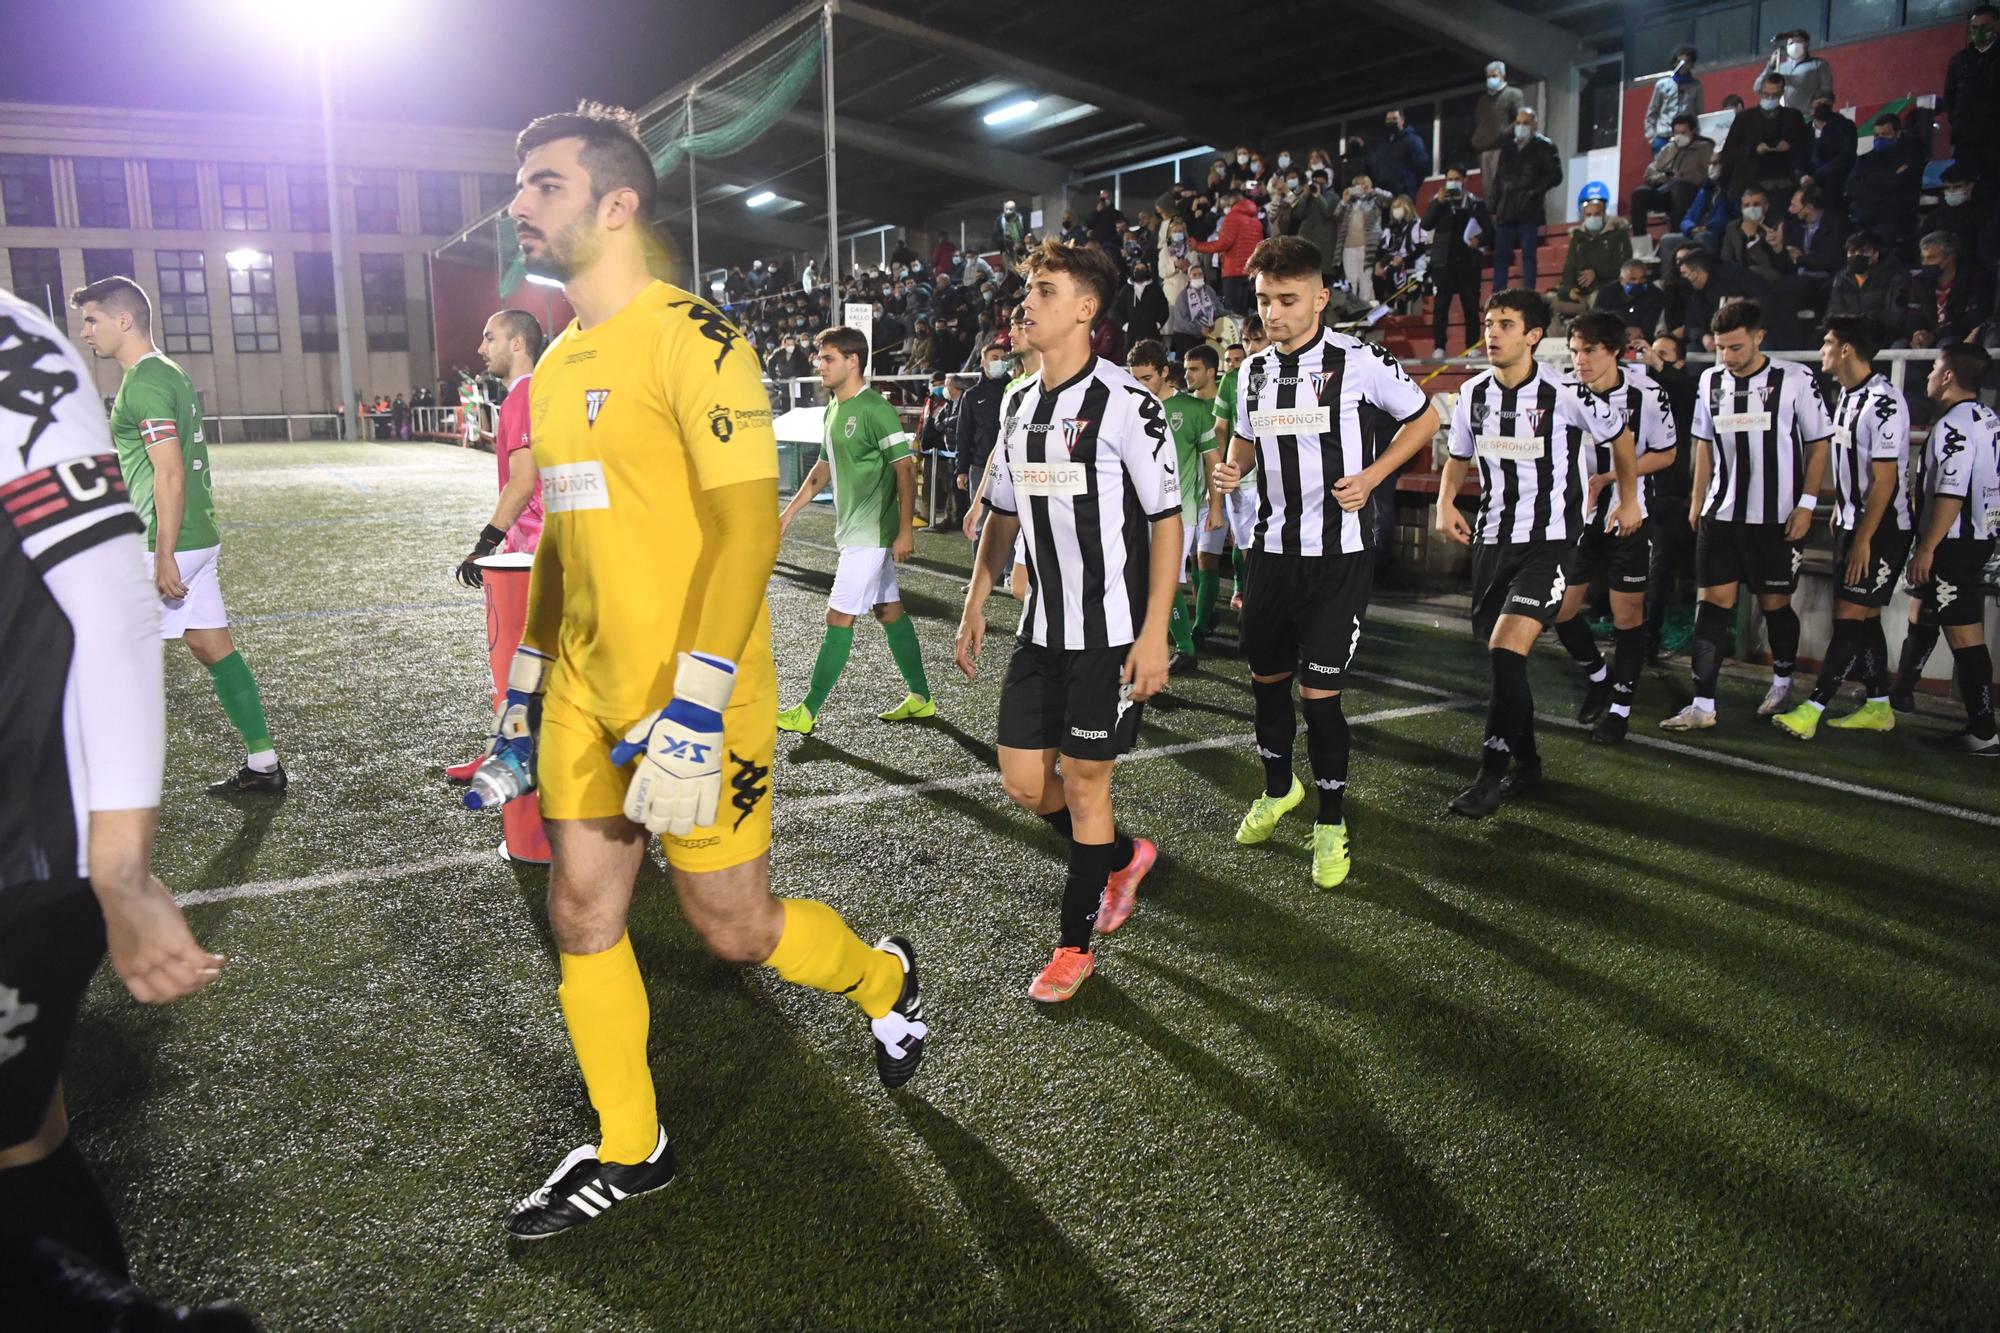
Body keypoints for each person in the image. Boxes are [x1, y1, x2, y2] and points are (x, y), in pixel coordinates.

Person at [492, 103, 926, 1239]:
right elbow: (562, 536)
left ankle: (883, 981)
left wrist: (691, 703)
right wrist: (527, 678)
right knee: (581, 906)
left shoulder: (698, 337)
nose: (518, 203)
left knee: (730, 923)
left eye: (541, 183)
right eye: (519, 184)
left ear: (615, 202)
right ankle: (632, 1147)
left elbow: (746, 534)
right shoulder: (556, 366)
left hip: (698, 692)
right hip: (585, 691)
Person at [0, 286, 245, 1327]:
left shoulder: (15, 342)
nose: (89, 331)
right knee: (22, 1132)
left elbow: (106, 598)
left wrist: (123, 869)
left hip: (18, 846)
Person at [952, 240, 1173, 1003]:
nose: (1026, 301)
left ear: (1086, 308)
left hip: (1108, 635)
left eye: (1044, 290)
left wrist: (1154, 631)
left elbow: (1168, 520)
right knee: (1022, 783)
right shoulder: (1017, 402)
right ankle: (1119, 856)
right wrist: (977, 597)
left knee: (1083, 783)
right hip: (1040, 628)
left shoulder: (1127, 403)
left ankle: (1072, 947)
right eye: (1026, 289)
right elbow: (1004, 515)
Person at [1210, 235, 1439, 881]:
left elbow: (1423, 420)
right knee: (1267, 683)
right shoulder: (1251, 371)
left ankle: (1331, 821)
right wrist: (1233, 469)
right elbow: (1249, 444)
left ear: (1320, 297)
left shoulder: (1358, 361)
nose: (1274, 313)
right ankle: (1280, 787)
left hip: (1338, 558)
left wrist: (1372, 476)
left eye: (1287, 299)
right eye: (1263, 301)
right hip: (1269, 553)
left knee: (1321, 695)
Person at [70, 275, 286, 795]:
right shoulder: (169, 373)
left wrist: (162, 553)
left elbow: (168, 472)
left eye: (92, 319)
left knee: (93, 645)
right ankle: (264, 763)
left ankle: (86, 785)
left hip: (165, 542)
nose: (85, 332)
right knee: (211, 646)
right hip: (196, 536)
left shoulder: (143, 382)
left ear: (124, 320)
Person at [1435, 289, 1638, 817]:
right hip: (1492, 541)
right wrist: (1444, 501)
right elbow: (1458, 455)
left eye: (1505, 323)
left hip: (1551, 543)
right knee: (1505, 664)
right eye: (1488, 321)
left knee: (1505, 650)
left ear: (1532, 335)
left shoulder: (1566, 394)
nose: (1491, 331)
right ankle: (1528, 762)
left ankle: (1489, 777)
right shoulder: (1474, 393)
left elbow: (1621, 438)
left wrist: (1630, 498)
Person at [1660, 299, 1832, 732]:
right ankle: (1703, 703)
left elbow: (1817, 444)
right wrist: (1698, 501)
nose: (1727, 357)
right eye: (1721, 348)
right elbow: (1702, 441)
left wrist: (1806, 504)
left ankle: (1782, 678)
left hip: (1776, 519)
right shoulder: (1710, 381)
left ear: (1759, 338)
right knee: (1711, 607)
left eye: (1735, 347)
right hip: (1721, 515)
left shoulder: (1794, 378)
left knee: (1775, 606)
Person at [774, 327, 932, 733]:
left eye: (827, 358)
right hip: (855, 531)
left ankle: (807, 712)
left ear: (852, 361)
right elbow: (822, 468)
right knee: (887, 610)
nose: (819, 365)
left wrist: (905, 531)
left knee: (837, 616)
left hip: (870, 535)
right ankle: (921, 698)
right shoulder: (833, 408)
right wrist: (787, 515)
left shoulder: (875, 408)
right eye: (819, 358)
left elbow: (905, 468)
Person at [1772, 316, 1912, 739]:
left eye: (1828, 343)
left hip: (1882, 529)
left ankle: (1812, 710)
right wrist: (1843, 510)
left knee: (1849, 619)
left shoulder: (1883, 402)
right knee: (1864, 618)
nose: (1822, 351)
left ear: (1847, 349)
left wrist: (1865, 538)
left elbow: (1885, 480)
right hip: (1855, 522)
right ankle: (1878, 706)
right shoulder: (1850, 396)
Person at [1546, 312, 1679, 743]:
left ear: (1616, 352)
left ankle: (1620, 707)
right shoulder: (1563, 391)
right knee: (1561, 611)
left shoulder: (1648, 393)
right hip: (1578, 521)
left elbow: (1667, 454)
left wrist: (1616, 482)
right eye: (1574, 351)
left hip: (1629, 517)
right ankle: (1599, 675)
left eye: (1590, 351)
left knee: (1627, 617)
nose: (1580, 360)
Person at [445, 309, 548, 782]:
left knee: (520, 665)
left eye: (490, 338)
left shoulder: (524, 396)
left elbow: (523, 482)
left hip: (533, 554)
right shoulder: (524, 396)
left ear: (517, 344)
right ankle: (503, 753)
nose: (481, 349)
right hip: (527, 549)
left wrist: (484, 544)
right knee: (514, 665)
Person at [1889, 343, 1999, 753]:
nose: (1930, 374)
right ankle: (1901, 690)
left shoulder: (1955, 425)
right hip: (1972, 537)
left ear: (1949, 376)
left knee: (1965, 635)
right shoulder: (1987, 417)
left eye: (1935, 367)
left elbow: (1951, 492)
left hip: (1954, 542)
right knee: (1924, 607)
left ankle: (1984, 731)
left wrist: (1927, 549)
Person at [1127, 340, 1214, 674]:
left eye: (1147, 377)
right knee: (1144, 579)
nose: (1140, 385)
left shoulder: (1191, 409)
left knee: (1164, 581)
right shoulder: (1129, 408)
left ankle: (1184, 648)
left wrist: (1215, 506)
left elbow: (1211, 459)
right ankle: (1158, 645)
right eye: (1135, 378)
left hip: (1180, 513)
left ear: (1165, 372)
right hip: (1139, 511)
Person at [1638, 332, 1698, 661]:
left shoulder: (1685, 392)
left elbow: (1680, 388)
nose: (1650, 358)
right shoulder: (1640, 390)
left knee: (1661, 569)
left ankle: (1650, 637)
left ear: (1678, 362)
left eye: (1662, 354)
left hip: (1671, 495)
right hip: (1636, 491)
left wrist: (1658, 365)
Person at [1210, 320, 1271, 613]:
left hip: (1274, 477)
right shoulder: (1233, 379)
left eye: (1256, 340)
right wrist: (1225, 465)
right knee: (1244, 541)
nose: (1251, 347)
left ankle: (1260, 596)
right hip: (1242, 476)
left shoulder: (1287, 372)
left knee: (1269, 542)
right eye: (1247, 340)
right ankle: (1247, 592)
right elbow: (1222, 428)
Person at [1491, 108, 1562, 297]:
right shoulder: (1508, 148)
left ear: (1534, 124)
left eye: (1526, 122)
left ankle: (1528, 294)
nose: (1521, 126)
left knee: (1528, 255)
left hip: (1529, 210)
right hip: (1506, 209)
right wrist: (1493, 205)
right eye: (1518, 122)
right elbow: (1499, 178)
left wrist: (1534, 191)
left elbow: (1556, 174)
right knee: (1501, 256)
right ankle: (1498, 295)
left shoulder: (1545, 146)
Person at [1424, 165, 1490, 354]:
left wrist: (1479, 240)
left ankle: (1471, 347)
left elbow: (1490, 232)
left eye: (1457, 178)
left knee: (1470, 307)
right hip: (1443, 264)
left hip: (1468, 264)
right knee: (1441, 308)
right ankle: (1439, 346)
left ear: (1464, 180)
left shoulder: (1475, 204)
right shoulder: (1440, 203)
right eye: (1449, 178)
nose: (1453, 182)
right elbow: (1426, 224)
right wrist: (1437, 202)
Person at [1719, 72, 1810, 201]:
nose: (1770, 98)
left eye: (1775, 95)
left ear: (1782, 93)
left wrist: (1790, 146)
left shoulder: (1793, 117)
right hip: (1752, 179)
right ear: (1760, 93)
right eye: (1767, 95)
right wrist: (1753, 149)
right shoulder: (1744, 119)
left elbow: (1804, 147)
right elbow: (1728, 153)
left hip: (1785, 178)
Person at [1552, 188, 1633, 320]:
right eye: (1588, 215)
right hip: (1579, 289)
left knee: (1598, 299)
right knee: (1551, 303)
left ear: (1604, 213)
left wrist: (1596, 273)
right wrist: (1571, 288)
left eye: (1596, 214)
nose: (1592, 218)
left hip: (1605, 286)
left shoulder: (1619, 235)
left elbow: (1624, 265)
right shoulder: (1578, 237)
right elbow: (1570, 266)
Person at [1847, 114, 1923, 253]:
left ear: (1898, 134)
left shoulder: (1910, 156)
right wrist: (1889, 177)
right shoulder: (1864, 159)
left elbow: (1902, 183)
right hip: (1865, 216)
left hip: (1895, 218)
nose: (1880, 138)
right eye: (1877, 135)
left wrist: (1870, 181)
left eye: (1885, 134)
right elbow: (1852, 186)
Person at [1906, 230, 1993, 349]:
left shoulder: (1972, 280)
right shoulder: (1919, 282)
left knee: (1946, 344)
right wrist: (1918, 334)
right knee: (1900, 345)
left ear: (1950, 257)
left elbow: (1970, 320)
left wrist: (1934, 336)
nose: (1925, 263)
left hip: (1958, 340)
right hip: (1927, 339)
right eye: (1923, 258)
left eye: (1931, 258)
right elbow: (1913, 315)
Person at [1945, 7, 2000, 189]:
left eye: (1985, 26)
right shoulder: (1959, 61)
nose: (1979, 32)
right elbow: (1950, 100)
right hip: (1967, 143)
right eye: (1974, 27)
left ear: (1996, 25)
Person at [1631, 114, 1714, 225]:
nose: (1679, 136)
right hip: (1667, 191)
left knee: (1678, 186)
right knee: (1639, 194)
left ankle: (1678, 234)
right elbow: (1649, 172)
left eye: (1683, 132)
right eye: (1676, 133)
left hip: (1692, 192)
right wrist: (1662, 177)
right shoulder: (1670, 148)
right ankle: (1640, 240)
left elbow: (1706, 175)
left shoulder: (1704, 148)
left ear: (1692, 131)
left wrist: (1680, 178)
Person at [1192, 186, 1263, 315]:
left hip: (1233, 274)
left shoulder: (1232, 217)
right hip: (1252, 273)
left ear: (1233, 199)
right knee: (1250, 315)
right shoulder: (1256, 220)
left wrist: (1197, 246)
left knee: (1235, 316)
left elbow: (1222, 244)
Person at [1825, 230, 1909, 331]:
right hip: (1850, 335)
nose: (1857, 256)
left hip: (1883, 335)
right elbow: (1833, 313)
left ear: (1876, 254)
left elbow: (1894, 317)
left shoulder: (1895, 276)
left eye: (1863, 252)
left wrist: (1860, 320)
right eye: (1852, 252)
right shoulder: (1842, 278)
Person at [1331, 174, 1392, 302]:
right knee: (1351, 279)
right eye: (1356, 184)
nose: (1360, 186)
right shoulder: (1349, 204)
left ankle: (1367, 307)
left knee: (1366, 277)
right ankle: (1352, 307)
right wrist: (1343, 201)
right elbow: (1336, 216)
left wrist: (1373, 191)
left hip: (1367, 245)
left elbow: (1389, 199)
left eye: (1362, 183)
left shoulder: (1375, 199)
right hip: (1348, 246)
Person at [1472, 61, 1527, 190]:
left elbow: (1521, 118)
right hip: (1484, 149)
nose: (1491, 79)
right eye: (1488, 76)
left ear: (1502, 76)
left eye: (1494, 75)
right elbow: (1478, 122)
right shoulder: (1483, 100)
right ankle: (1492, 210)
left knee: (1502, 185)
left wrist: (1504, 133)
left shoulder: (1513, 94)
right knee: (1488, 188)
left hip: (1503, 148)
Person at [1802, 94, 1857, 211]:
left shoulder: (1845, 125)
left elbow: (1846, 155)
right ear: (1811, 108)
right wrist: (1803, 176)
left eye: (1826, 104)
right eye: (1818, 104)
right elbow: (1799, 157)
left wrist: (1816, 177)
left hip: (1836, 183)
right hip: (1808, 184)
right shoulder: (1804, 130)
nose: (1822, 107)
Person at [1644, 46, 1705, 150]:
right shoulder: (1663, 84)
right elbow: (1652, 112)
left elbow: (1699, 113)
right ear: (1674, 63)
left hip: (1686, 137)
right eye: (1679, 61)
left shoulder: (1696, 86)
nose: (1683, 65)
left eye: (1686, 61)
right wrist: (1652, 138)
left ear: (1691, 64)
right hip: (1664, 137)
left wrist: (1698, 136)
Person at [1761, 30, 1833, 114]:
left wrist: (1819, 112)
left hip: (1807, 116)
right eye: (1791, 43)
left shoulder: (1818, 65)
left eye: (1798, 42)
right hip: (1784, 117)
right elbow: (1760, 87)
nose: (1794, 45)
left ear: (1806, 44)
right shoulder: (1780, 67)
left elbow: (1826, 92)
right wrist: (1770, 66)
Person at [1366, 110, 1428, 203]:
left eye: (1394, 119)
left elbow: (1422, 166)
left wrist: (1409, 186)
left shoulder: (1413, 141)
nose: (1391, 122)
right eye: (1388, 120)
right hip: (1383, 193)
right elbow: (1375, 167)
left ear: (1402, 120)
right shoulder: (1382, 145)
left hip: (1404, 194)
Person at [1596, 258, 1664, 337]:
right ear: (1621, 280)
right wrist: (1623, 330)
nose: (1638, 282)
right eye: (1632, 279)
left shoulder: (1655, 294)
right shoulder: (1606, 292)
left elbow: (1649, 325)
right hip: (1610, 336)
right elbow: (1597, 318)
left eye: (1642, 278)